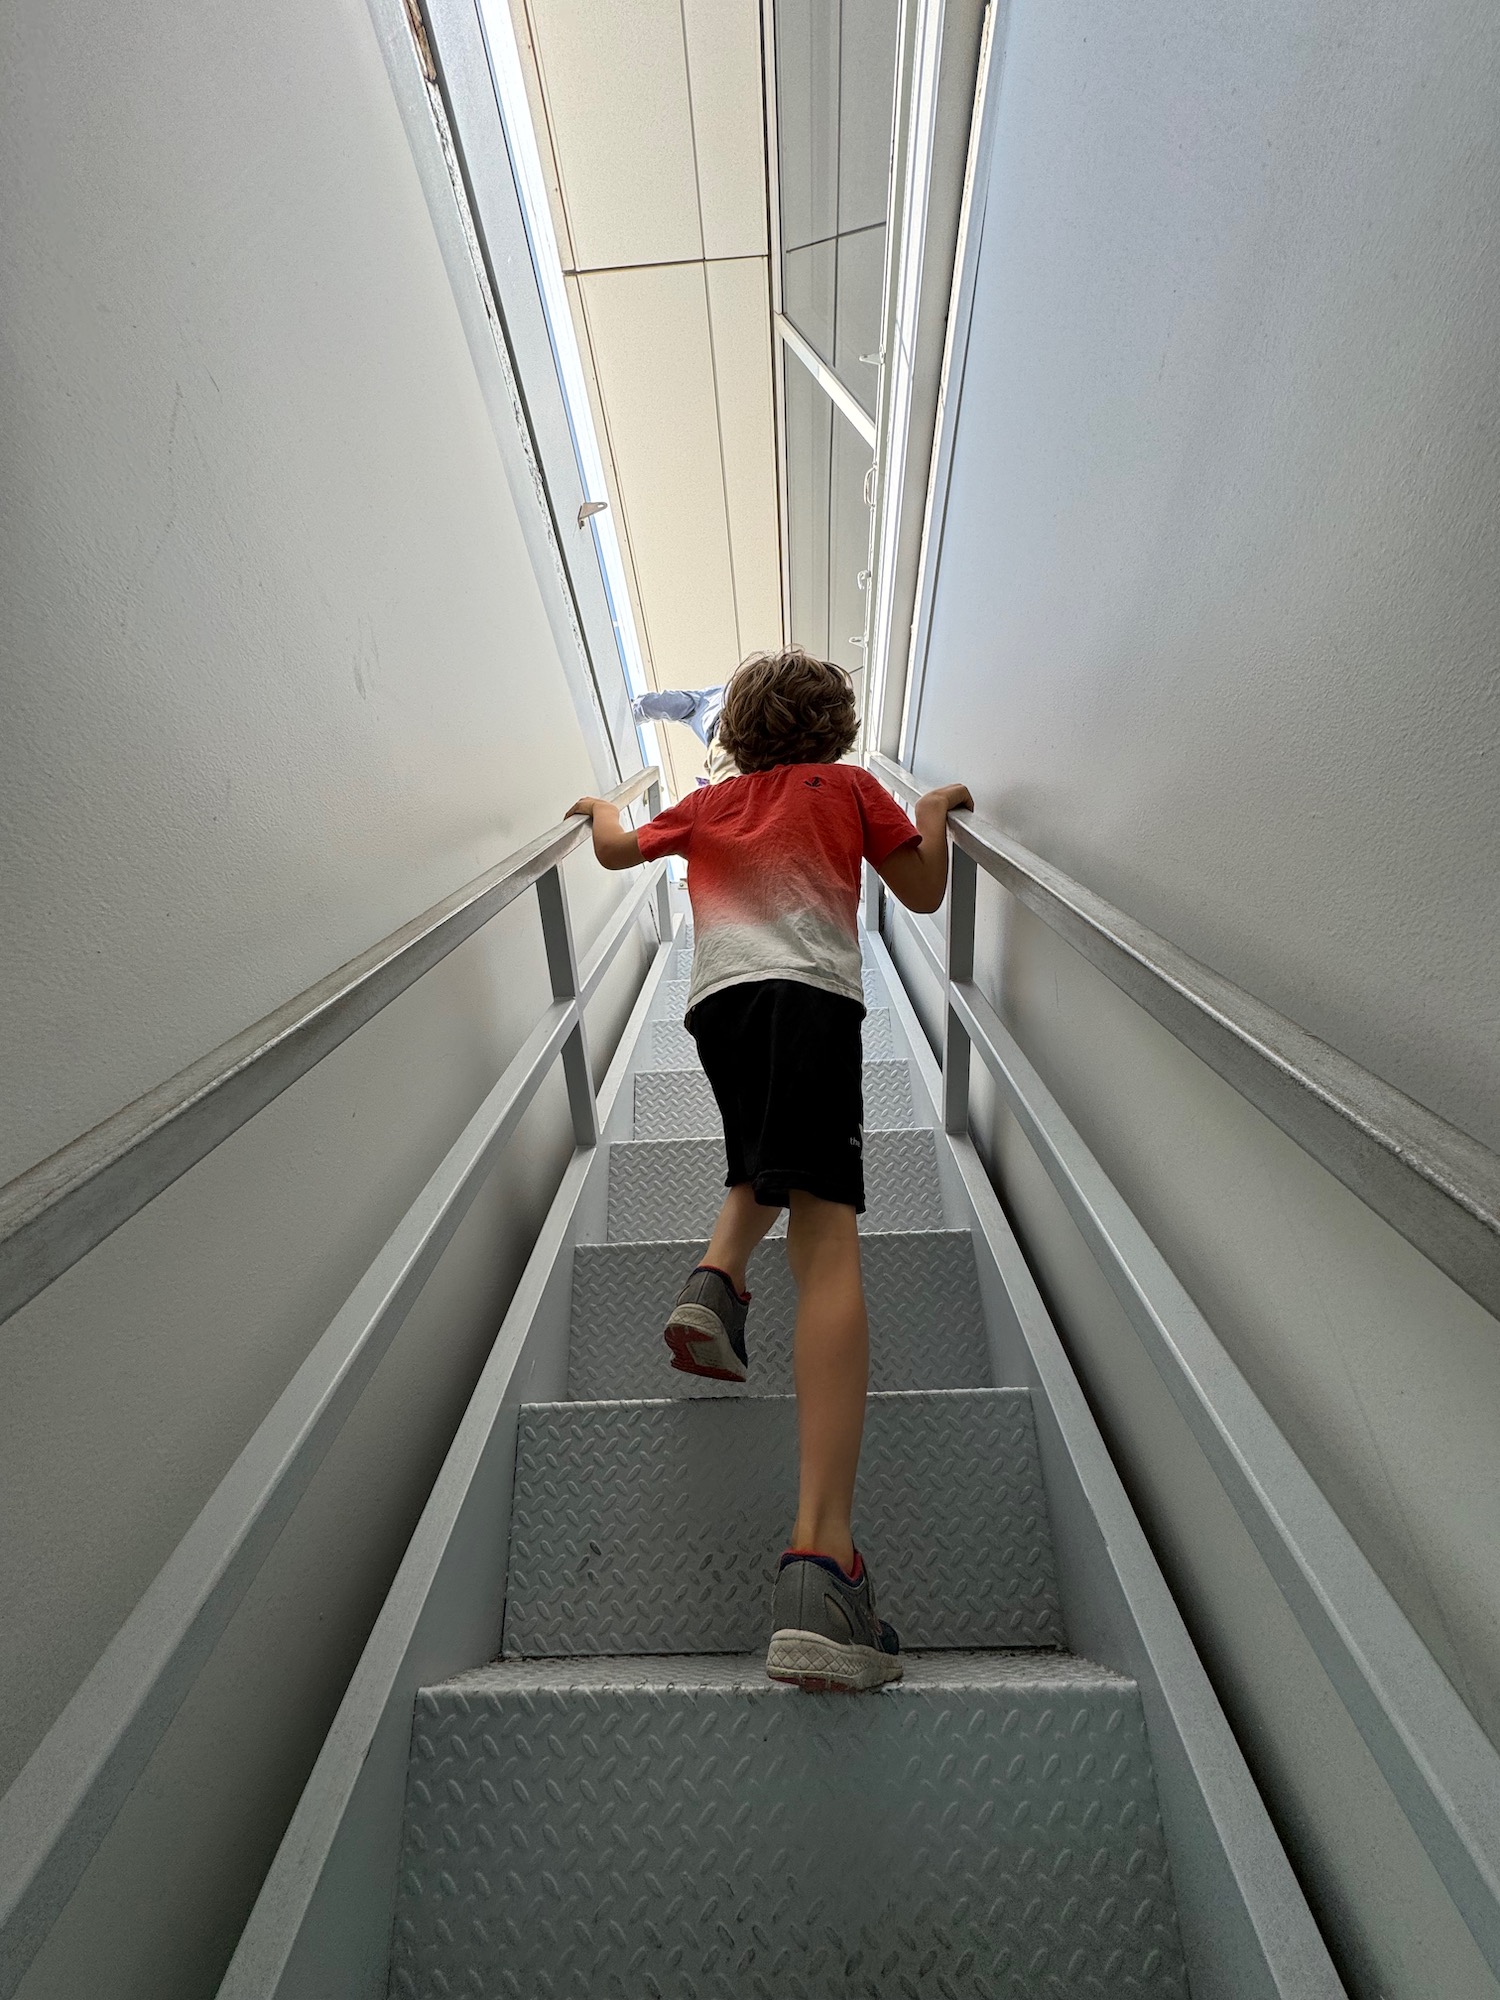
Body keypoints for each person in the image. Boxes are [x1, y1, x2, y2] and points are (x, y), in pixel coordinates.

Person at [570, 648, 972, 1693]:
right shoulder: (846, 787)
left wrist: (596, 810)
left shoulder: (711, 803)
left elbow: (620, 851)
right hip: (810, 995)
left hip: (718, 1006)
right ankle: (821, 1560)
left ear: (736, 731)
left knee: (767, 1160)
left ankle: (717, 1278)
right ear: (835, 729)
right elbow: (921, 890)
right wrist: (927, 810)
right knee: (830, 1239)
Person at [630, 684, 738, 783]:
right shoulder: (734, 686)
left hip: (729, 734)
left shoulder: (704, 699)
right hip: (737, 725)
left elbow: (658, 704)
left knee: (729, 794)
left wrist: (628, 715)